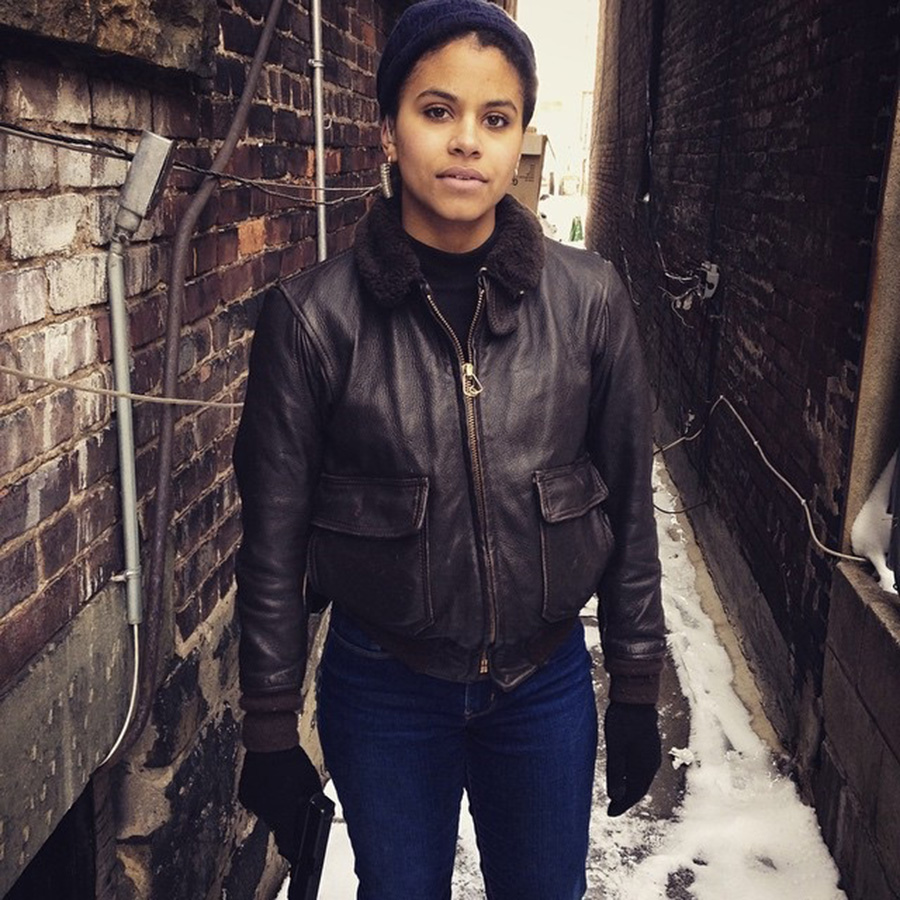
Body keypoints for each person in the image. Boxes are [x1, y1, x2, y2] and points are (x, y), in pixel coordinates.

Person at [233, 1, 666, 897]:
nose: (467, 140)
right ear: (389, 132)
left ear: (519, 140)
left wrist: (634, 685)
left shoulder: (590, 301)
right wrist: (270, 728)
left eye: (495, 118)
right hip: (385, 686)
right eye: (438, 111)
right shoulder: (313, 320)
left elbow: (629, 503)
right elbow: (272, 540)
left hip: (542, 684)